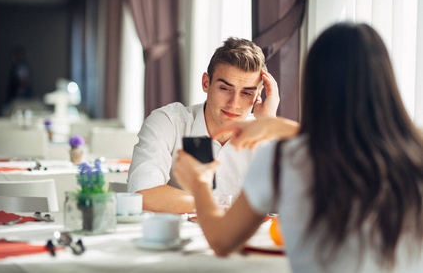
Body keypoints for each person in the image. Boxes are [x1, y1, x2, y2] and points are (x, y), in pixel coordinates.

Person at [174, 23, 423, 272]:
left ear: (314, 84)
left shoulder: (284, 158)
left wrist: (199, 184)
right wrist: (275, 124)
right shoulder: (416, 148)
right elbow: (347, 140)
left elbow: (221, 240)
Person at [128, 37, 280, 213]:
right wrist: (222, 206)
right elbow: (143, 195)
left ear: (258, 95)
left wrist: (271, 124)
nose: (234, 103)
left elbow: (299, 201)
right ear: (206, 83)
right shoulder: (167, 122)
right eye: (225, 89)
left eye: (246, 93)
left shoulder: (265, 135)